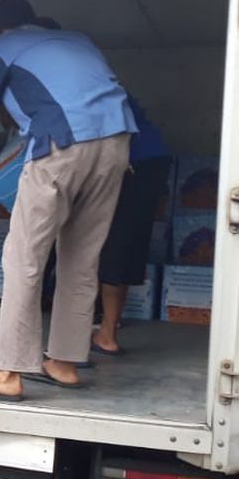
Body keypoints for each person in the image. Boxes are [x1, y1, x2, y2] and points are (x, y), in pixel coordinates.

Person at [0, 0, 135, 401]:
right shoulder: (77, 40)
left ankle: (6, 371)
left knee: (24, 256)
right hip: (116, 144)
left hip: (60, 145)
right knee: (82, 256)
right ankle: (64, 362)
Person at [91, 98, 172, 355]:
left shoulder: (95, 99)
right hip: (152, 165)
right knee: (128, 249)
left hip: (131, 167)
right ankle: (108, 327)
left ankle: (106, 335)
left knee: (113, 250)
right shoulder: (115, 93)